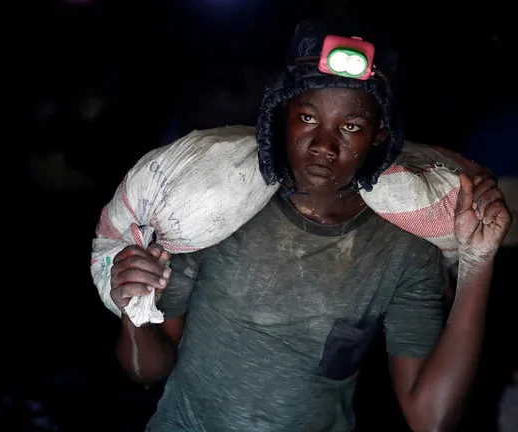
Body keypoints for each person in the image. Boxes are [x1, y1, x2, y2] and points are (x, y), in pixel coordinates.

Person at [107, 19, 512, 431]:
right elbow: (148, 372)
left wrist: (477, 265)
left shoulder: (403, 248)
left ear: (379, 135)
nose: (323, 144)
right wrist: (133, 308)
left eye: (351, 126)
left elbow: (430, 418)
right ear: (281, 118)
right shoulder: (218, 210)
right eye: (307, 117)